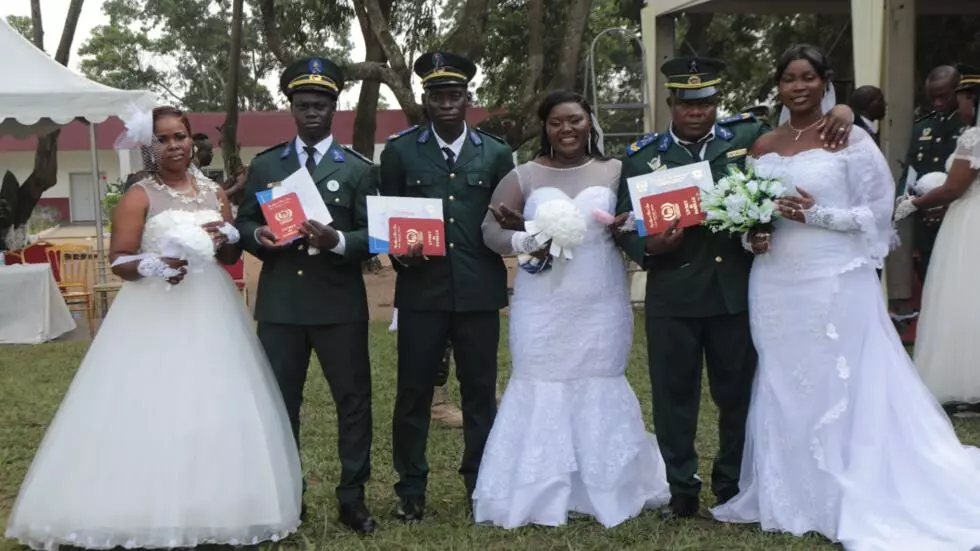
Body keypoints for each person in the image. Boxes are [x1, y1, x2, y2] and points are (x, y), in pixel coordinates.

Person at [713, 44, 980, 550]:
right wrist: (753, 236)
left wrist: (816, 216)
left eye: (808, 77)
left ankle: (843, 488)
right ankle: (790, 491)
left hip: (834, 277)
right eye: (789, 78)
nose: (798, 87)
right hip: (774, 281)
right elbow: (747, 214)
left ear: (825, 81)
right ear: (778, 87)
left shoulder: (849, 136)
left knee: (840, 377)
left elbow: (878, 213)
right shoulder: (762, 144)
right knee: (783, 378)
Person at [4, 106, 302, 550]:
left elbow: (229, 256)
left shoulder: (213, 192)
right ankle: (136, 503)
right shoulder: (139, 195)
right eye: (162, 139)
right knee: (149, 404)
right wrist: (154, 265)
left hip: (212, 310)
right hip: (152, 312)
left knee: (216, 404)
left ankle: (218, 503)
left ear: (191, 139)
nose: (173, 146)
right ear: (150, 146)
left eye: (179, 136)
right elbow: (120, 260)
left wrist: (226, 240)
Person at [614, 56, 854, 519]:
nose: (697, 112)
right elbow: (624, 222)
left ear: (717, 102)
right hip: (674, 292)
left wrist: (841, 110)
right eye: (687, 103)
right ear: (671, 103)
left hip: (735, 289)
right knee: (673, 397)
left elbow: (801, 125)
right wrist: (651, 247)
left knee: (738, 394)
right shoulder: (644, 155)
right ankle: (682, 488)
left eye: (705, 102)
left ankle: (731, 486)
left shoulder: (748, 139)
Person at [472, 90, 671, 529]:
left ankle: (605, 485)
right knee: (540, 379)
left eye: (575, 120)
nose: (567, 129)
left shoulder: (616, 170)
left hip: (600, 298)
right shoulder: (525, 175)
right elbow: (490, 229)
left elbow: (639, 218)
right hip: (542, 301)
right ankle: (539, 487)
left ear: (590, 123)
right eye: (557, 122)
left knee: (600, 378)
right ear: (545, 128)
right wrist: (525, 239)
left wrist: (630, 224)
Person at [234, 57, 378, 534]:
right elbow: (245, 222)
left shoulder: (357, 168)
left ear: (335, 107)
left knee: (353, 400)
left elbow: (374, 235)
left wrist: (335, 241)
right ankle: (285, 496)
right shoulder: (267, 164)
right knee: (280, 403)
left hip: (338, 305)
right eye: (303, 104)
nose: (312, 111)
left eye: (320, 104)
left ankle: (352, 497)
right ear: (291, 108)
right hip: (282, 306)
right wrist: (259, 239)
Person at [380, 51, 515, 522]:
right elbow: (389, 221)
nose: (446, 103)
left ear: (467, 99)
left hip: (478, 291)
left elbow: (506, 219)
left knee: (480, 392)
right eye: (438, 96)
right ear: (425, 100)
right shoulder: (400, 151)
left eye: (454, 95)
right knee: (414, 393)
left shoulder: (495, 152)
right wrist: (400, 252)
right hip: (422, 291)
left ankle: (481, 484)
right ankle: (411, 490)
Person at [900, 62, 980, 410]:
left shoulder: (972, 136)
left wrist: (916, 202)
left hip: (967, 221)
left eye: (961, 98)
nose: (959, 106)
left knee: (962, 297)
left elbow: (954, 187)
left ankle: (964, 382)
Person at [892, 65, 968, 314]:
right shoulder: (921, 127)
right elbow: (911, 169)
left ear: (958, 91)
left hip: (960, 214)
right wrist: (904, 199)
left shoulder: (969, 126)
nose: (937, 102)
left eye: (943, 96)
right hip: (927, 219)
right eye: (931, 96)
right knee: (930, 278)